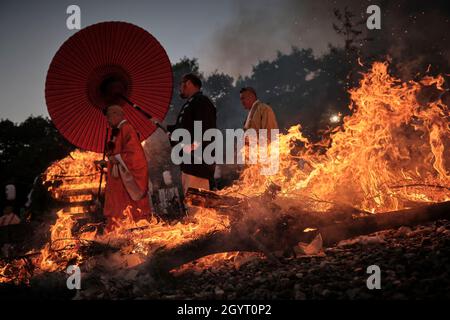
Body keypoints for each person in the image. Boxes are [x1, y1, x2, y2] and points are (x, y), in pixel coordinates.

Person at [97, 105, 151, 230]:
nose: (108, 120)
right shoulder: (118, 131)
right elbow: (116, 155)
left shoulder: (127, 129)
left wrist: (116, 158)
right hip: (118, 180)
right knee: (118, 208)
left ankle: (130, 228)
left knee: (128, 208)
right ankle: (117, 230)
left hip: (126, 181)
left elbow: (135, 154)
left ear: (117, 115)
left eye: (109, 117)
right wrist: (108, 162)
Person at [167, 73, 216, 195]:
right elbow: (185, 128)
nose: (180, 88)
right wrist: (171, 132)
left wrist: (194, 145)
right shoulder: (191, 103)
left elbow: (205, 127)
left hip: (198, 163)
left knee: (199, 206)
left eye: (181, 84)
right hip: (189, 163)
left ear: (188, 83)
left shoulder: (201, 101)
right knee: (192, 203)